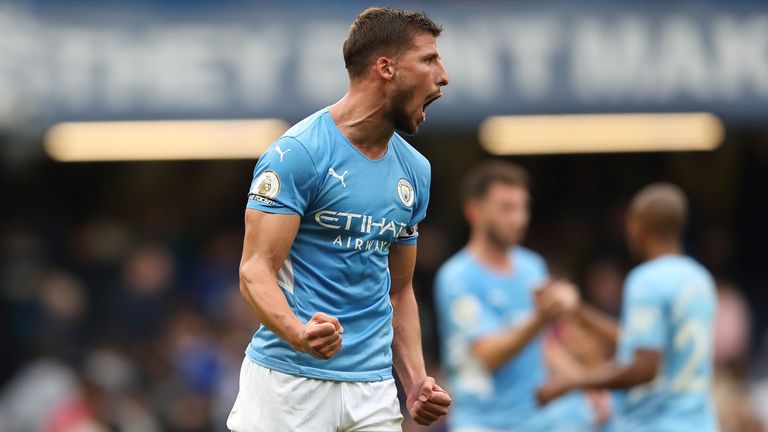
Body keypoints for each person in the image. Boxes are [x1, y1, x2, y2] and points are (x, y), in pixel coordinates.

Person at [228, 7, 451, 432]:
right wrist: (298, 333)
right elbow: (254, 270)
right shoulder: (298, 154)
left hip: (372, 390)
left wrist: (416, 379)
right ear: (386, 68)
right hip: (289, 385)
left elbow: (400, 290)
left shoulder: (415, 171)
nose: (443, 76)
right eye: (428, 59)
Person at [537, 183, 718, 432]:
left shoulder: (645, 279)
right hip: (698, 424)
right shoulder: (700, 278)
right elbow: (638, 341)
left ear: (638, 224)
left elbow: (644, 368)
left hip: (656, 424)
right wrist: (578, 310)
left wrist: (572, 381)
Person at [434, 161, 596, 432]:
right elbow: (487, 355)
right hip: (482, 422)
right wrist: (541, 318)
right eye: (506, 208)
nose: (519, 218)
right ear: (474, 212)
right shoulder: (457, 277)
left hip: (538, 419)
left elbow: (542, 346)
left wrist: (587, 386)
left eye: (523, 207)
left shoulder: (532, 267)